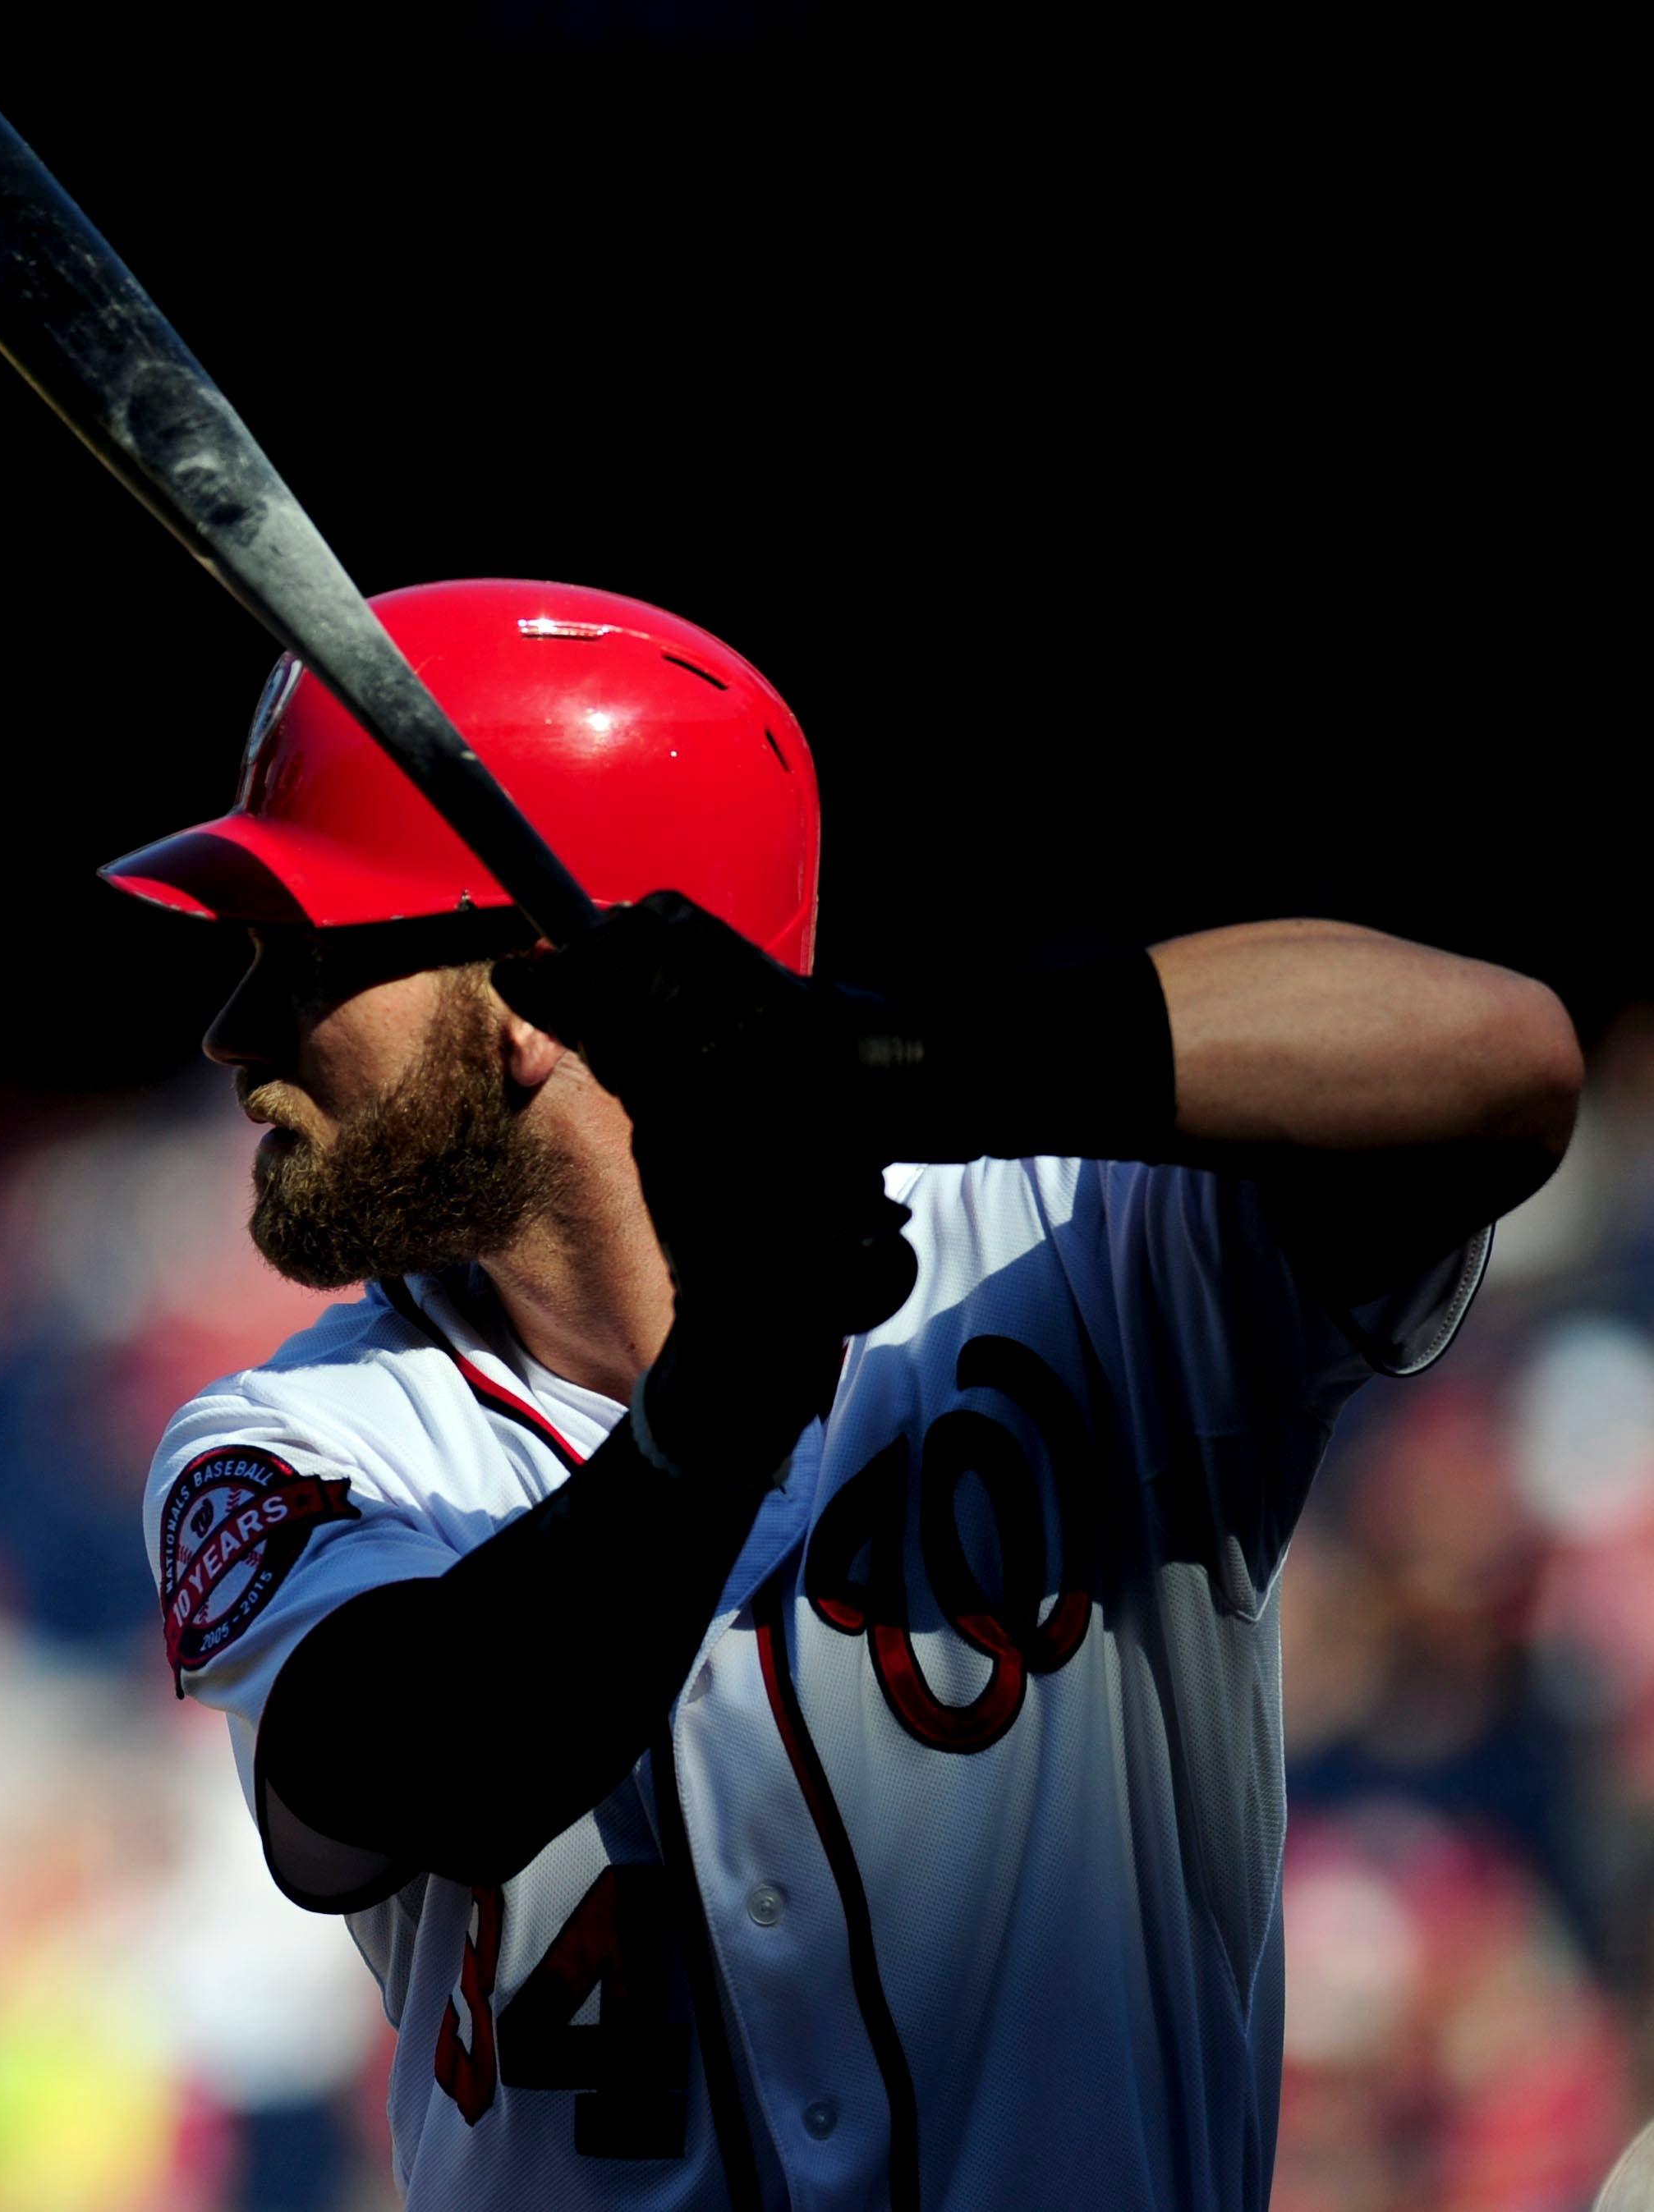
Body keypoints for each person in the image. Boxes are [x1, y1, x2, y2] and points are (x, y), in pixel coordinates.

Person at [115, 578, 1580, 2211]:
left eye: (296, 951)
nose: (229, 1027)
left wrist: (895, 1069)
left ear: (538, 990)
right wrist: (723, 1387)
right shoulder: (293, 1438)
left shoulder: (1072, 1246)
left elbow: (1500, 1062)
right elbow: (417, 1766)